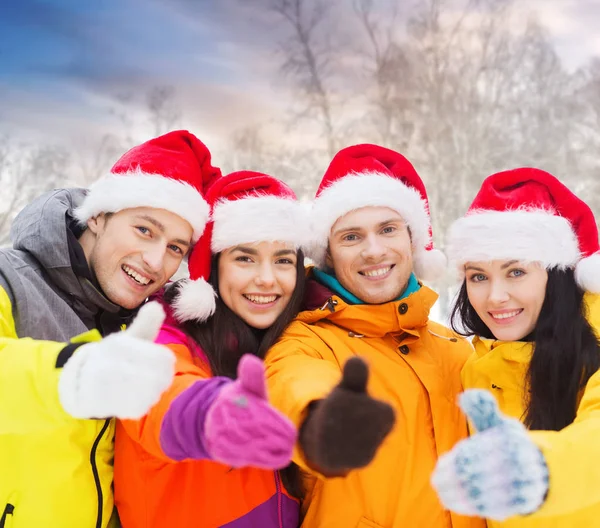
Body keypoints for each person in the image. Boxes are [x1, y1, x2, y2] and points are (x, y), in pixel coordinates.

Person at [0, 130, 222, 528]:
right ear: (99, 216)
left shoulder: (153, 317)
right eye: (144, 230)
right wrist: (74, 372)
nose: (155, 262)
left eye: (176, 248)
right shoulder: (9, 280)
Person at [263, 144, 487, 527]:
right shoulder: (306, 343)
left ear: (413, 241)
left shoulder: (456, 349)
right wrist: (322, 420)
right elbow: (293, 385)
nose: (374, 250)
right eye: (351, 237)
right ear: (329, 254)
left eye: (387, 230)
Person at [114, 170, 310, 528]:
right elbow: (159, 392)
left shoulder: (291, 341)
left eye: (283, 260)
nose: (267, 278)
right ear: (213, 269)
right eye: (245, 258)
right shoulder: (164, 335)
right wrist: (211, 414)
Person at [431, 167, 600, 527]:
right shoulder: (478, 371)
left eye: (516, 272)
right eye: (478, 276)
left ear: (557, 275)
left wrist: (535, 470)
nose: (495, 297)